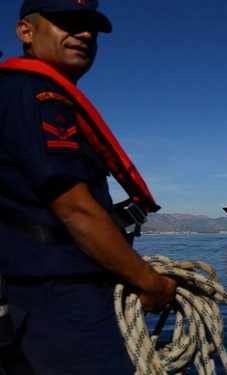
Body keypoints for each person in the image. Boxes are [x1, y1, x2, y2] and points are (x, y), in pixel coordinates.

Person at [0, 1, 177, 373]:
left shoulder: (21, 92)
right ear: (25, 32)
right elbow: (75, 209)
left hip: (43, 293)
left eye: (89, 26)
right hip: (60, 299)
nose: (83, 34)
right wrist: (148, 282)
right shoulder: (37, 98)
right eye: (66, 23)